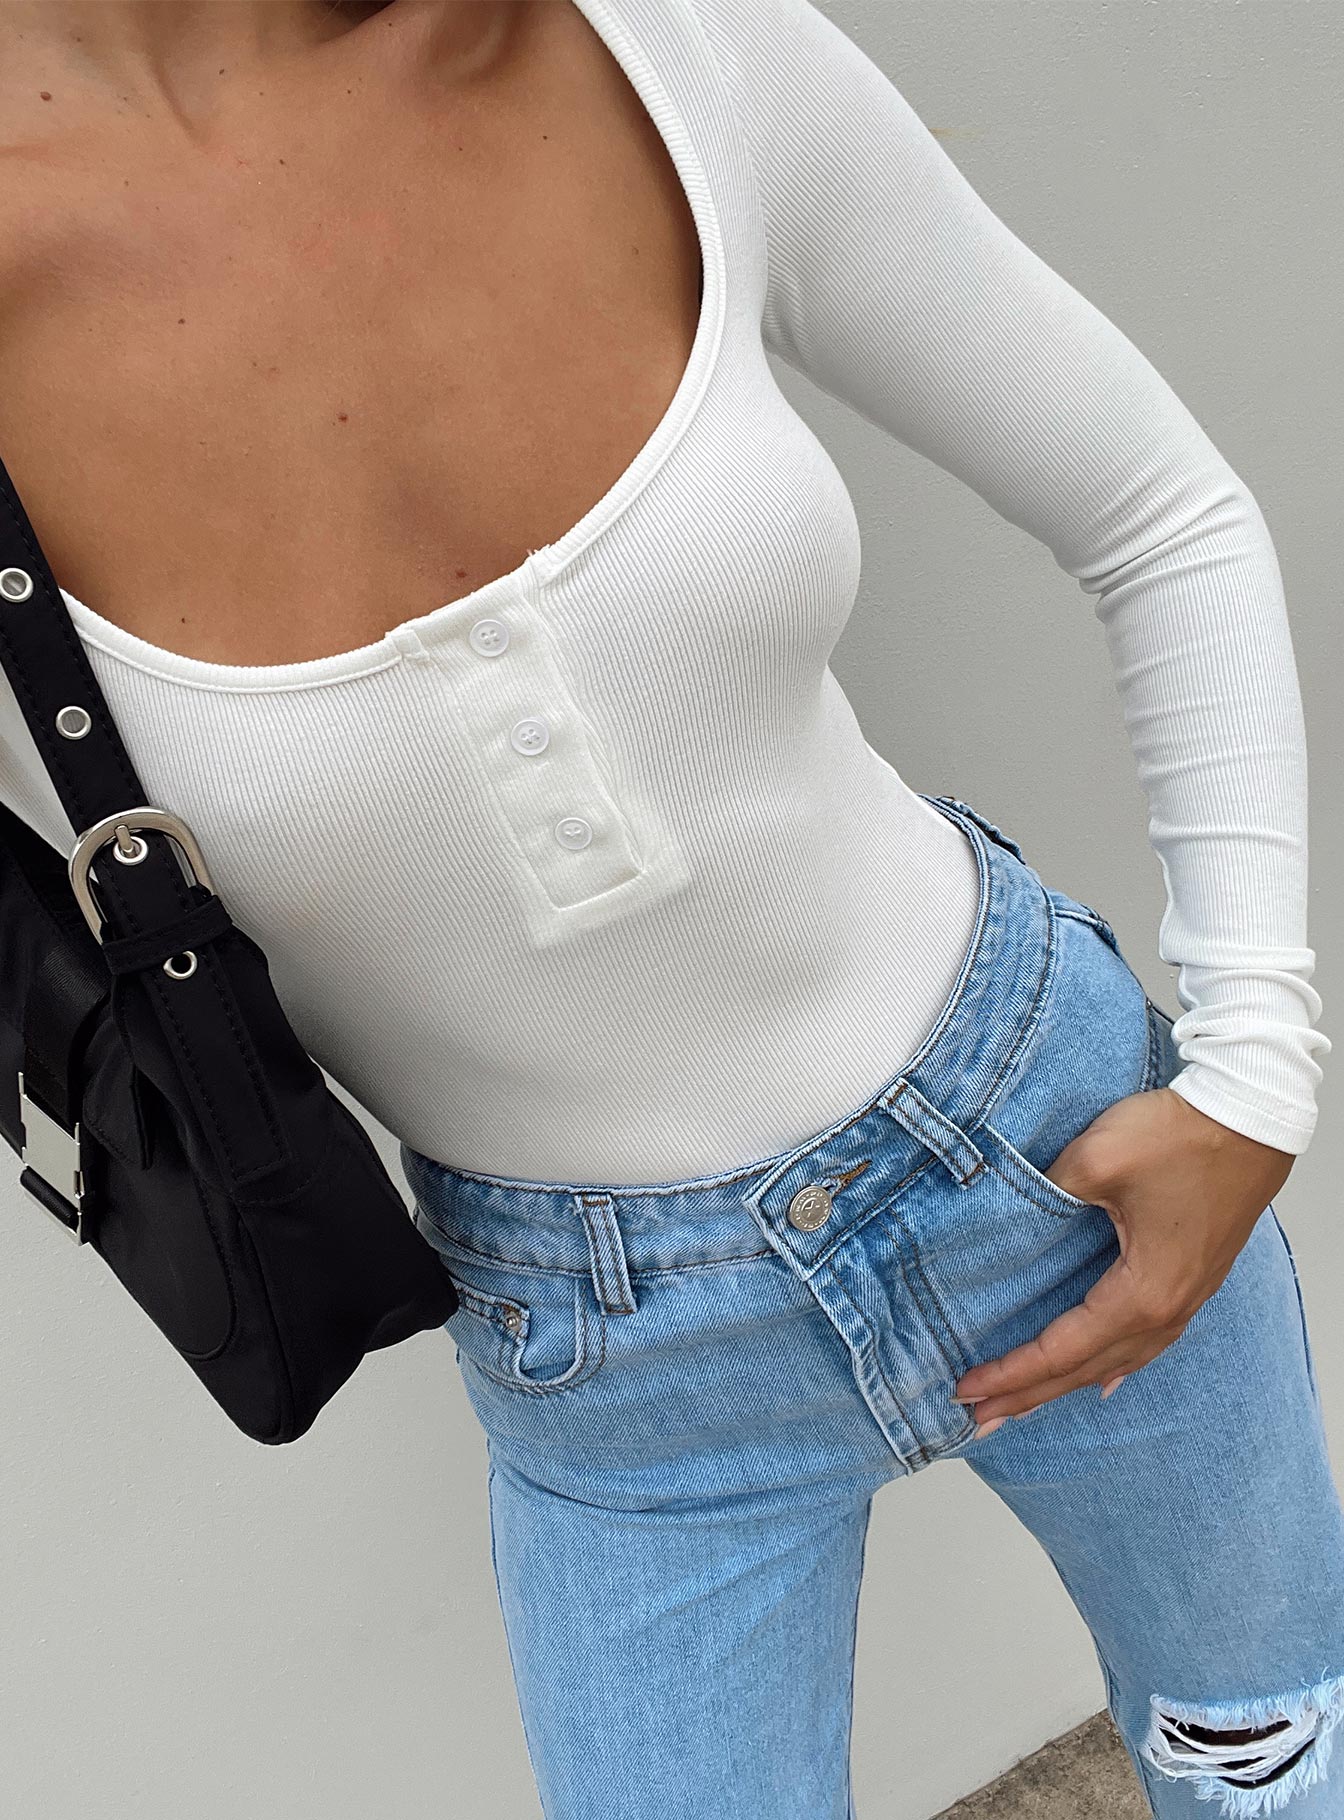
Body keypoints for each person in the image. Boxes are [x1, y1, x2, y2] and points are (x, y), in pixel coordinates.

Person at [0, 2, 1339, 1814]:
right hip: (611, 1364)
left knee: (1274, 1766)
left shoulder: (653, 45)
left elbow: (1159, 511)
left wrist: (1255, 1075)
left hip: (1050, 1144)